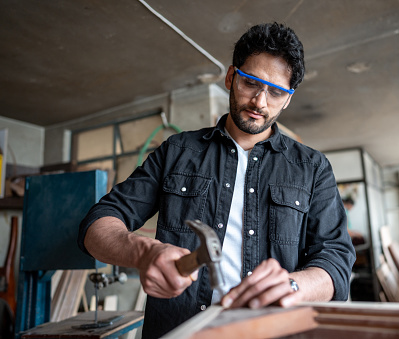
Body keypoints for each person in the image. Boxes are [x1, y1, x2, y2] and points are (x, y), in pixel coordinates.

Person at [78, 22, 355, 338]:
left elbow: (336, 261)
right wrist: (143, 253)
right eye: (251, 83)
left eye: (276, 92)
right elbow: (96, 224)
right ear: (230, 76)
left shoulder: (312, 167)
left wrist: (294, 285)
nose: (260, 103)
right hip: (179, 331)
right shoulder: (178, 151)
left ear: (288, 98)